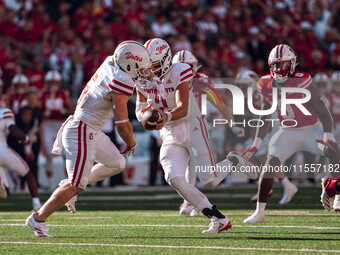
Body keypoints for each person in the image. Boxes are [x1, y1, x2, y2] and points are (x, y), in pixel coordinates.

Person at [26, 40, 152, 237]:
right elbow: (121, 123)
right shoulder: (122, 79)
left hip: (87, 129)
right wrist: (131, 141)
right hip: (82, 131)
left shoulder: (110, 62)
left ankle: (69, 184)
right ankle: (38, 218)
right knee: (77, 186)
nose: (143, 71)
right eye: (140, 66)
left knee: (117, 162)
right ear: (129, 64)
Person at [136, 38, 254, 233]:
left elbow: (183, 108)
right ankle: (217, 218)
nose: (149, 71)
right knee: (173, 177)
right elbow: (140, 109)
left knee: (209, 180)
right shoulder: (142, 78)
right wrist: (145, 116)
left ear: (165, 60)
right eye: (147, 66)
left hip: (191, 125)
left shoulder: (179, 71)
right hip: (169, 131)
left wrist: (165, 115)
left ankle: (234, 160)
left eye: (154, 65)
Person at [242, 44, 340, 223]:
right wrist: (256, 144)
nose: (279, 69)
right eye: (275, 65)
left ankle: (337, 192)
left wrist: (327, 133)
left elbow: (322, 109)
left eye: (283, 65)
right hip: (287, 131)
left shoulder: (303, 80)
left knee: (334, 150)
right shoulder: (265, 83)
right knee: (270, 164)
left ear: (293, 64)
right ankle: (259, 212)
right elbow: (264, 115)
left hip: (311, 129)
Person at [172, 50, 245, 216]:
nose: (185, 70)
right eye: (181, 66)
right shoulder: (169, 79)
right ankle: (189, 202)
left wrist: (232, 125)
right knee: (184, 166)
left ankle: (190, 202)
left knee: (201, 171)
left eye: (188, 67)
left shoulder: (201, 81)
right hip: (176, 126)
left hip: (197, 126)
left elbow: (220, 104)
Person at [0, 107, 42, 210]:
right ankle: (36, 204)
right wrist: (27, 140)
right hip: (2, 151)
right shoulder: (4, 113)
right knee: (28, 174)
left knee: (5, 193)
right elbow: (17, 133)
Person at [41, 70, 74, 188]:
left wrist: (65, 111)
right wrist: (44, 113)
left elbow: (72, 109)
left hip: (61, 124)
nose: (53, 84)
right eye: (51, 82)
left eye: (55, 82)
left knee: (66, 155)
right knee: (49, 155)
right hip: (48, 125)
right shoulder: (43, 94)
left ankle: (69, 183)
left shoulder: (64, 93)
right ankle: (51, 184)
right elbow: (37, 111)